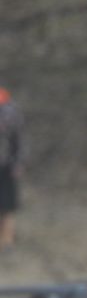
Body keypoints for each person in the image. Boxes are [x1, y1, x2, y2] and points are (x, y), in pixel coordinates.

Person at [0, 88, 22, 250]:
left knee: (8, 205)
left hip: (6, 165)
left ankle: (7, 239)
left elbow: (18, 141)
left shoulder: (10, 110)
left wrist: (17, 163)